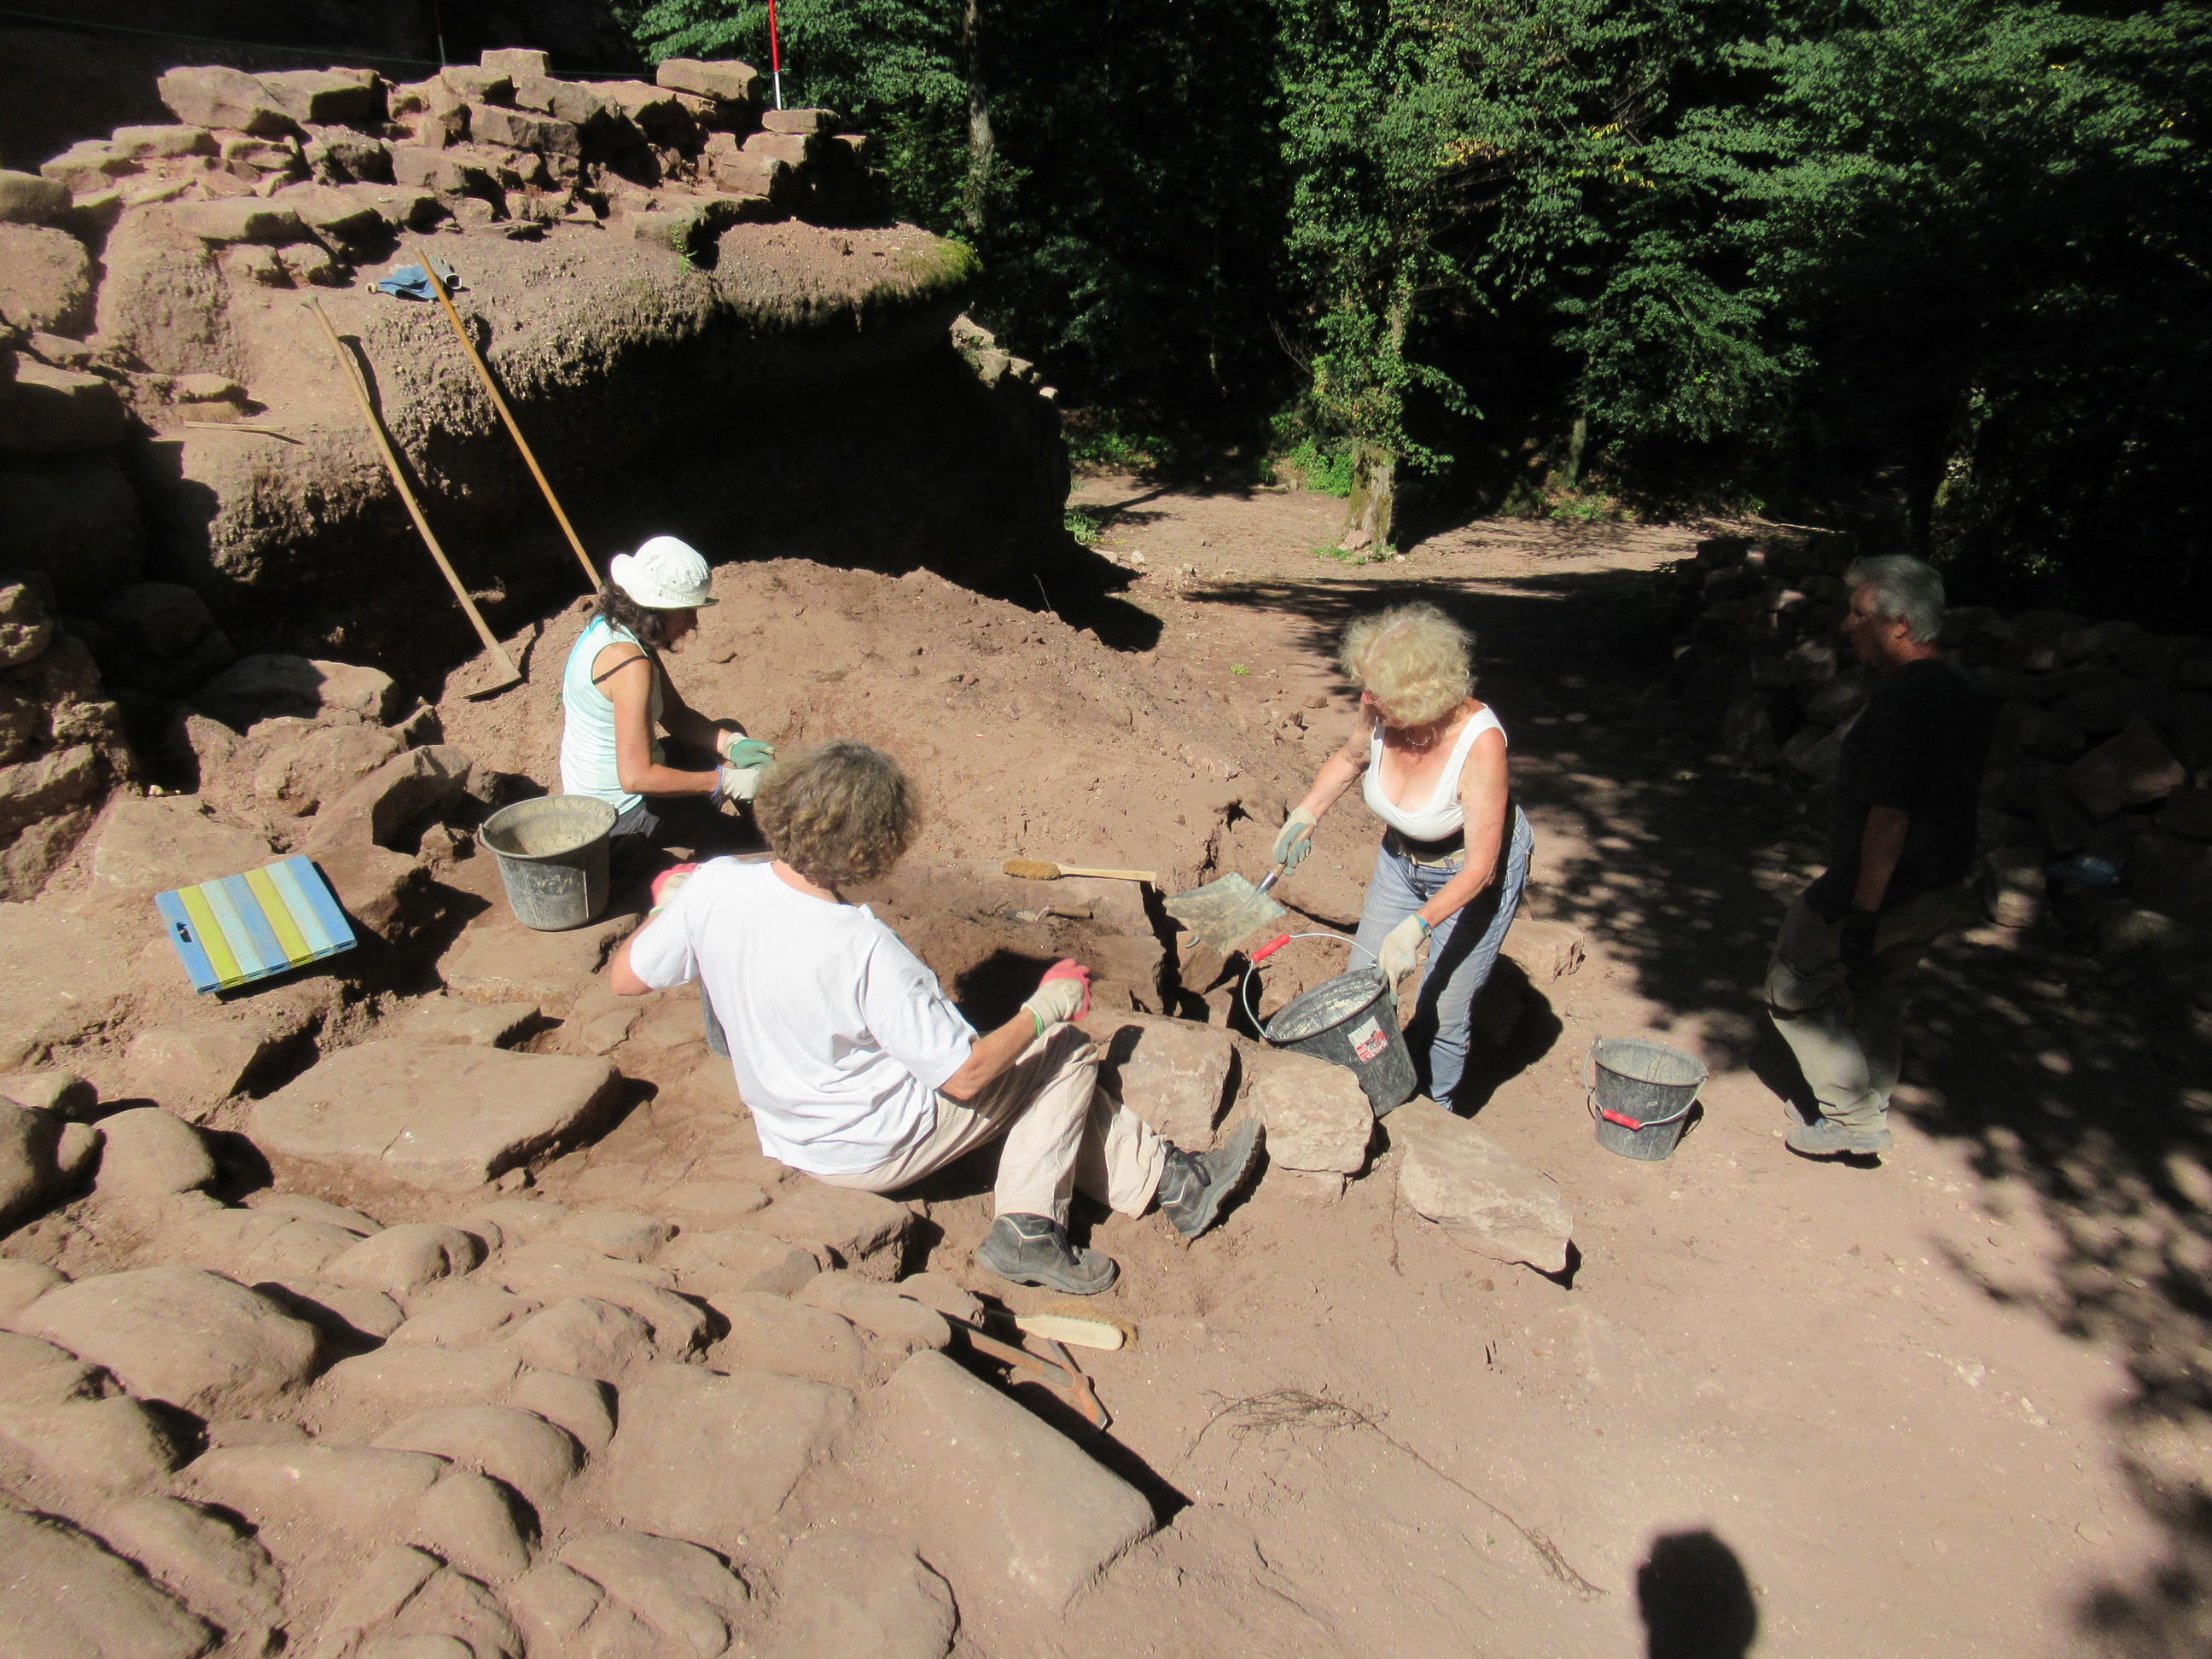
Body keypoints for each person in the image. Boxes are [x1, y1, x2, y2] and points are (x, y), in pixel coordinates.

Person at [606, 738, 1266, 1295]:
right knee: (1064, 1051)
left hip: (788, 1128)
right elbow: (965, 1076)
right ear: (873, 847)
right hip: (870, 1143)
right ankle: (1030, 1228)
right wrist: (1043, 1009)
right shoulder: (864, 948)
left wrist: (671, 905)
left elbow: (625, 977)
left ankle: (1174, 1183)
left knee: (1036, 1084)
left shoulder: (717, 884)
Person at [1765, 554, 1993, 1158]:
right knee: (1880, 988)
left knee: (1792, 981)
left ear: (1900, 624)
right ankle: (1871, 1102)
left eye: (1859, 614)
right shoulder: (1964, 685)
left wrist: (1864, 909)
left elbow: (1891, 814)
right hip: (1940, 882)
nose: (1847, 626)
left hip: (1885, 884)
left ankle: (1851, 1116)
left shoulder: (1905, 699)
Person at [1272, 602, 1534, 1114]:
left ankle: (1435, 1116)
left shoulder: (1479, 744)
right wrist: (1307, 812)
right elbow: (1352, 757)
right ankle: (1366, 1098)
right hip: (1401, 860)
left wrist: (1417, 927)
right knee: (1362, 986)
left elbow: (1481, 869)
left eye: (1379, 691)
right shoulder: (1378, 707)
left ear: (1420, 694)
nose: (1367, 699)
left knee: (1443, 1008)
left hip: (1469, 872)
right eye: (1368, 687)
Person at [558, 535, 775, 859]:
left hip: (600, 799)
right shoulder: (629, 664)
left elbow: (675, 715)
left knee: (728, 731)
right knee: (740, 834)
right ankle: (764, 841)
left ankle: (756, 831)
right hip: (620, 818)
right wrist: (725, 782)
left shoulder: (613, 630)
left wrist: (733, 745)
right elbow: (636, 778)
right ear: (655, 609)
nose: (693, 622)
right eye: (686, 612)